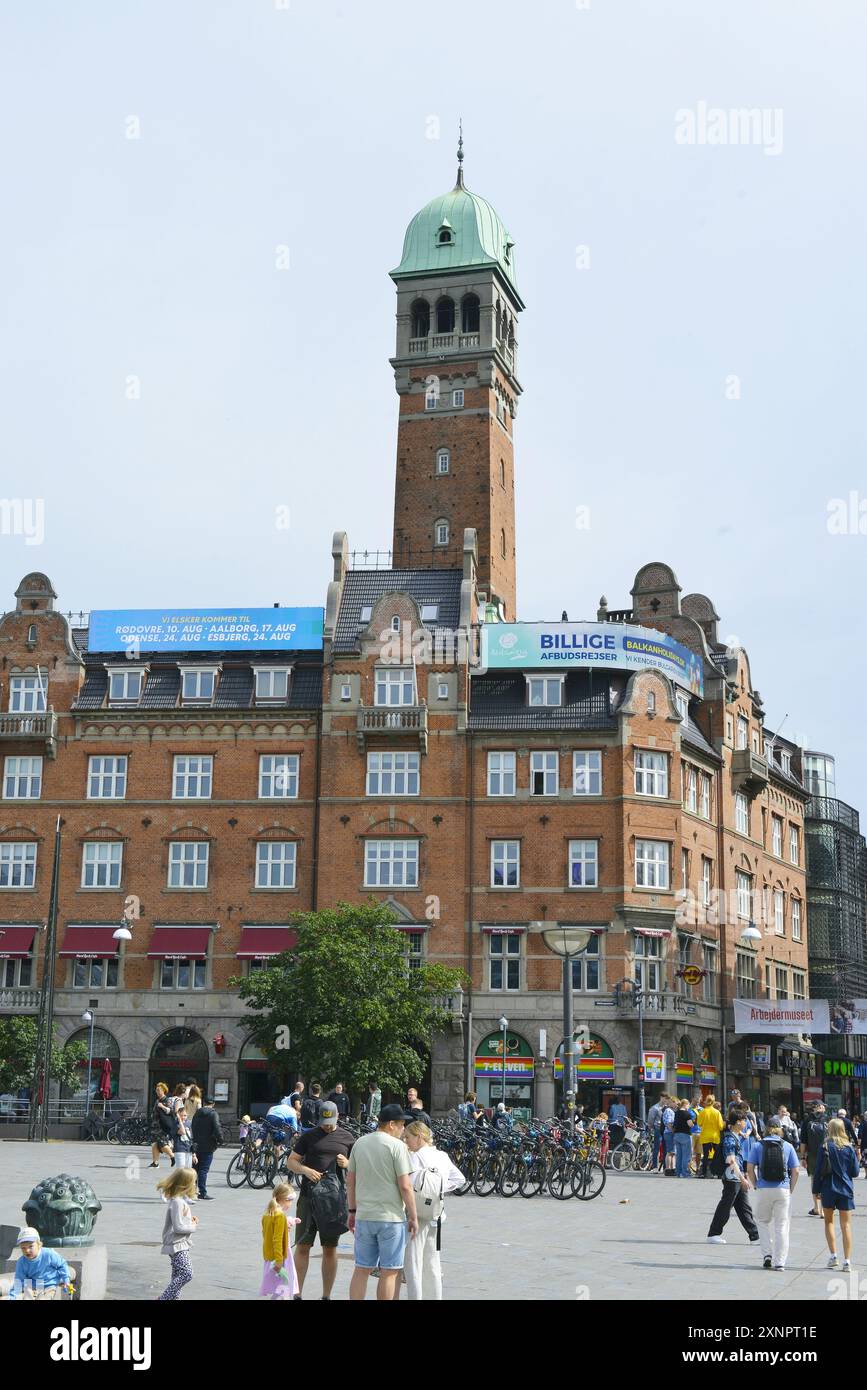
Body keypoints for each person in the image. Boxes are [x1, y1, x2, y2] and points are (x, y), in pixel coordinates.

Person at [347, 1103, 418, 1302]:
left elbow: (350, 1182)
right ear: (391, 1125)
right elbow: (405, 1186)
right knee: (389, 1271)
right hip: (391, 1218)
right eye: (402, 1125)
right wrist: (412, 1216)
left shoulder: (360, 1143)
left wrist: (352, 1211)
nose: (404, 1130)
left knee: (361, 1269)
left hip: (364, 1216)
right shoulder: (398, 1147)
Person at [287, 1099, 354, 1301]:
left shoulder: (348, 1138)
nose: (327, 1125)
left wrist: (348, 1163)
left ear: (337, 1118)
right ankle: (296, 1294)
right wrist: (305, 1170)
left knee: (330, 1248)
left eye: (331, 1121)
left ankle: (326, 1295)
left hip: (333, 1201)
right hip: (308, 1198)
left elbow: (358, 1168)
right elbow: (291, 1161)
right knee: (303, 1246)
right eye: (323, 1122)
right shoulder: (309, 1137)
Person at [394, 1121, 465, 1301]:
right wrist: (439, 1190)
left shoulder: (413, 1157)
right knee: (433, 1263)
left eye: (408, 1137)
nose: (406, 1141)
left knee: (413, 1264)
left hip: (416, 1215)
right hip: (436, 1214)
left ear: (418, 1137)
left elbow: (406, 1185)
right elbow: (460, 1179)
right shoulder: (442, 1155)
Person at [746, 1117, 799, 1271]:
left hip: (764, 1188)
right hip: (782, 1189)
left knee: (762, 1222)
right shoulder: (787, 1146)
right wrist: (791, 1188)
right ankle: (780, 1261)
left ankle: (767, 1255)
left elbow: (750, 1168)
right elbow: (795, 1171)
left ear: (767, 1128)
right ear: (780, 1129)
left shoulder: (757, 1145)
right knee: (782, 1226)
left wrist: (756, 1184)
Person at [707, 1107, 760, 1245]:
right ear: (737, 1122)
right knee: (725, 1206)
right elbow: (731, 1161)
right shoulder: (730, 1139)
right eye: (744, 1121)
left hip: (736, 1177)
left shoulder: (735, 1137)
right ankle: (713, 1234)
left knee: (744, 1208)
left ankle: (755, 1236)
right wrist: (742, 1178)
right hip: (732, 1178)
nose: (745, 1123)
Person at [813, 1117, 860, 1270]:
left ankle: (833, 1256)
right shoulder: (849, 1148)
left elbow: (818, 1170)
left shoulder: (825, 1147)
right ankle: (847, 1261)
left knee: (829, 1222)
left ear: (830, 1130)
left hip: (828, 1188)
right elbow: (855, 1172)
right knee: (846, 1225)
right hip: (846, 1188)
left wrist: (816, 1190)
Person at [156, 1167, 198, 1300]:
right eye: (194, 1181)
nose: (195, 1184)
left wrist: (189, 1220)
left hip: (178, 1243)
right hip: (176, 1243)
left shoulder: (179, 1201)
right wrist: (193, 1226)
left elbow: (180, 1221)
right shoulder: (177, 1202)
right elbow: (179, 1227)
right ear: (186, 1183)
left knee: (177, 1274)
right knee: (187, 1273)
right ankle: (163, 1298)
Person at [7, 1227, 75, 1300]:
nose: (27, 1250)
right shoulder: (21, 1262)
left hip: (48, 1284)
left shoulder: (48, 1254)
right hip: (31, 1285)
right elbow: (19, 1281)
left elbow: (62, 1265)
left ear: (39, 1244)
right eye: (23, 1248)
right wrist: (12, 1297)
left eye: (31, 1246)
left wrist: (66, 1280)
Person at [260, 1182, 300, 1300]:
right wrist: (279, 1261)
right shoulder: (279, 1216)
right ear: (283, 1200)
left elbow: (267, 1234)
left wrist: (287, 1223)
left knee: (280, 1289)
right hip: (280, 1257)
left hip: (270, 1256)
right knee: (283, 1289)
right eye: (290, 1200)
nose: (291, 1204)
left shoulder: (268, 1213)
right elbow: (277, 1240)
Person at [191, 1095, 223, 1200]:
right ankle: (202, 1192)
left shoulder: (197, 1113)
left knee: (195, 1169)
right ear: (213, 1104)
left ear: (204, 1103)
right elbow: (217, 1127)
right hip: (209, 1145)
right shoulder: (213, 1114)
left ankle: (191, 1190)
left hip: (196, 1144)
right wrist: (220, 1140)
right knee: (204, 1170)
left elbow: (193, 1126)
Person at [801, 1102, 829, 1216]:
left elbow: (803, 1141)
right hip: (826, 1153)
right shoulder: (828, 1119)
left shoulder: (807, 1120)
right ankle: (823, 1209)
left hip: (812, 1154)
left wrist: (803, 1157)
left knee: (814, 1179)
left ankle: (816, 1208)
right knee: (825, 1179)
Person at [697, 1095, 724, 1179]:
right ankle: (718, 1172)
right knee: (718, 1155)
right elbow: (720, 1126)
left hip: (705, 1136)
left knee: (705, 1155)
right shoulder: (717, 1112)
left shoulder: (703, 1112)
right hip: (715, 1136)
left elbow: (699, 1123)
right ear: (713, 1102)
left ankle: (704, 1173)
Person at [150, 1081, 174, 1167]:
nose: (157, 1092)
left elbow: (171, 1111)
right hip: (155, 1126)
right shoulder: (157, 1100)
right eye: (156, 1090)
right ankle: (155, 1163)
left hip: (162, 1126)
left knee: (162, 1144)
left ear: (164, 1090)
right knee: (154, 1144)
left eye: (159, 1090)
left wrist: (162, 1106)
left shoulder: (167, 1100)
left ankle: (172, 1156)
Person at [673, 1099, 694, 1178]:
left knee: (679, 1155)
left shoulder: (676, 1113)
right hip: (685, 1135)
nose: (688, 1107)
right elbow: (690, 1124)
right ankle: (685, 1173)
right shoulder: (687, 1113)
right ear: (685, 1104)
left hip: (677, 1135)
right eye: (688, 1105)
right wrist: (693, 1123)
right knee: (686, 1155)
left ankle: (678, 1172)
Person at [172, 1105, 197, 1170]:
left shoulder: (189, 1123)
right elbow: (182, 1132)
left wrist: (194, 1155)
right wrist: (180, 1121)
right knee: (181, 1170)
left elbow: (191, 1139)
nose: (183, 1117)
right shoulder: (175, 1124)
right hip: (180, 1149)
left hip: (189, 1150)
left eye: (185, 1115)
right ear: (178, 1115)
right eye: (181, 1115)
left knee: (188, 1171)